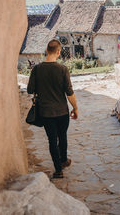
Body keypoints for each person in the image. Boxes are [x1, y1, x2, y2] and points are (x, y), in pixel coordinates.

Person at [27, 39, 78, 179]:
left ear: (46, 50)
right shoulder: (62, 69)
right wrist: (75, 107)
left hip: (46, 112)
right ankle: (63, 161)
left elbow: (30, 89)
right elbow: (69, 92)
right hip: (62, 111)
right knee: (62, 136)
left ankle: (58, 170)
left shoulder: (37, 69)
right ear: (59, 52)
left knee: (51, 140)